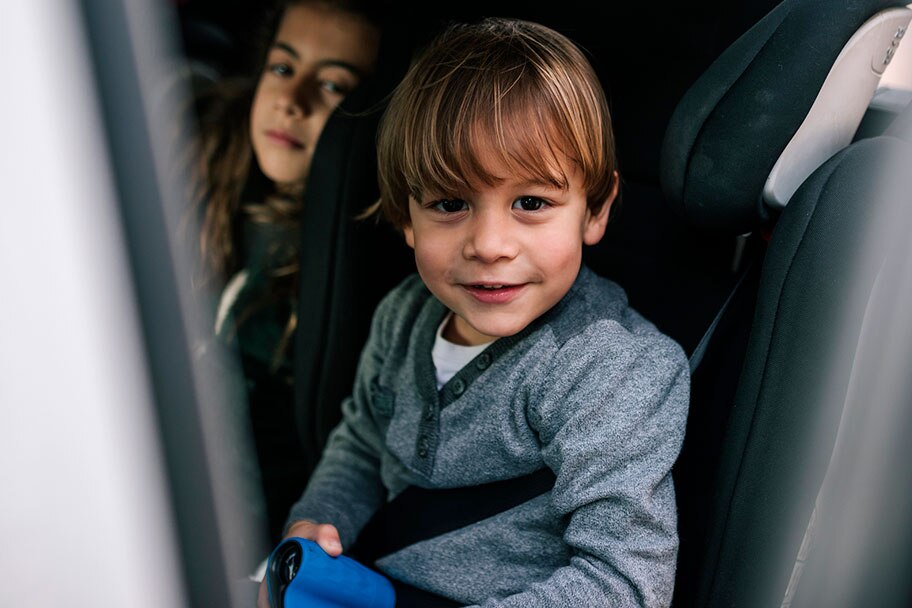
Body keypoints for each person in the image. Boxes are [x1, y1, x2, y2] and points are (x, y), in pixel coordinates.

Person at [264, 17, 690, 607]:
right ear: (405, 217)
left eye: (531, 202)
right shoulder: (402, 319)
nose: (489, 244)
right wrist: (314, 523)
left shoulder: (613, 371)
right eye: (449, 203)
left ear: (595, 211)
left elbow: (624, 583)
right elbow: (362, 445)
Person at [188, 0, 384, 544]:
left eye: (332, 86)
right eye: (282, 68)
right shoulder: (192, 171)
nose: (291, 101)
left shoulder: (345, 270)